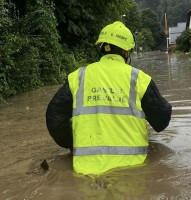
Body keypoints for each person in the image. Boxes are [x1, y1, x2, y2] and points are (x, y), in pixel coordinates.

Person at [46, 21, 172, 175]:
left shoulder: (78, 77)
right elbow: (161, 120)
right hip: (134, 171)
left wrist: (72, 143)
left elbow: (54, 117)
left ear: (102, 48)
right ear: (126, 52)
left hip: (85, 172)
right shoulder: (139, 79)